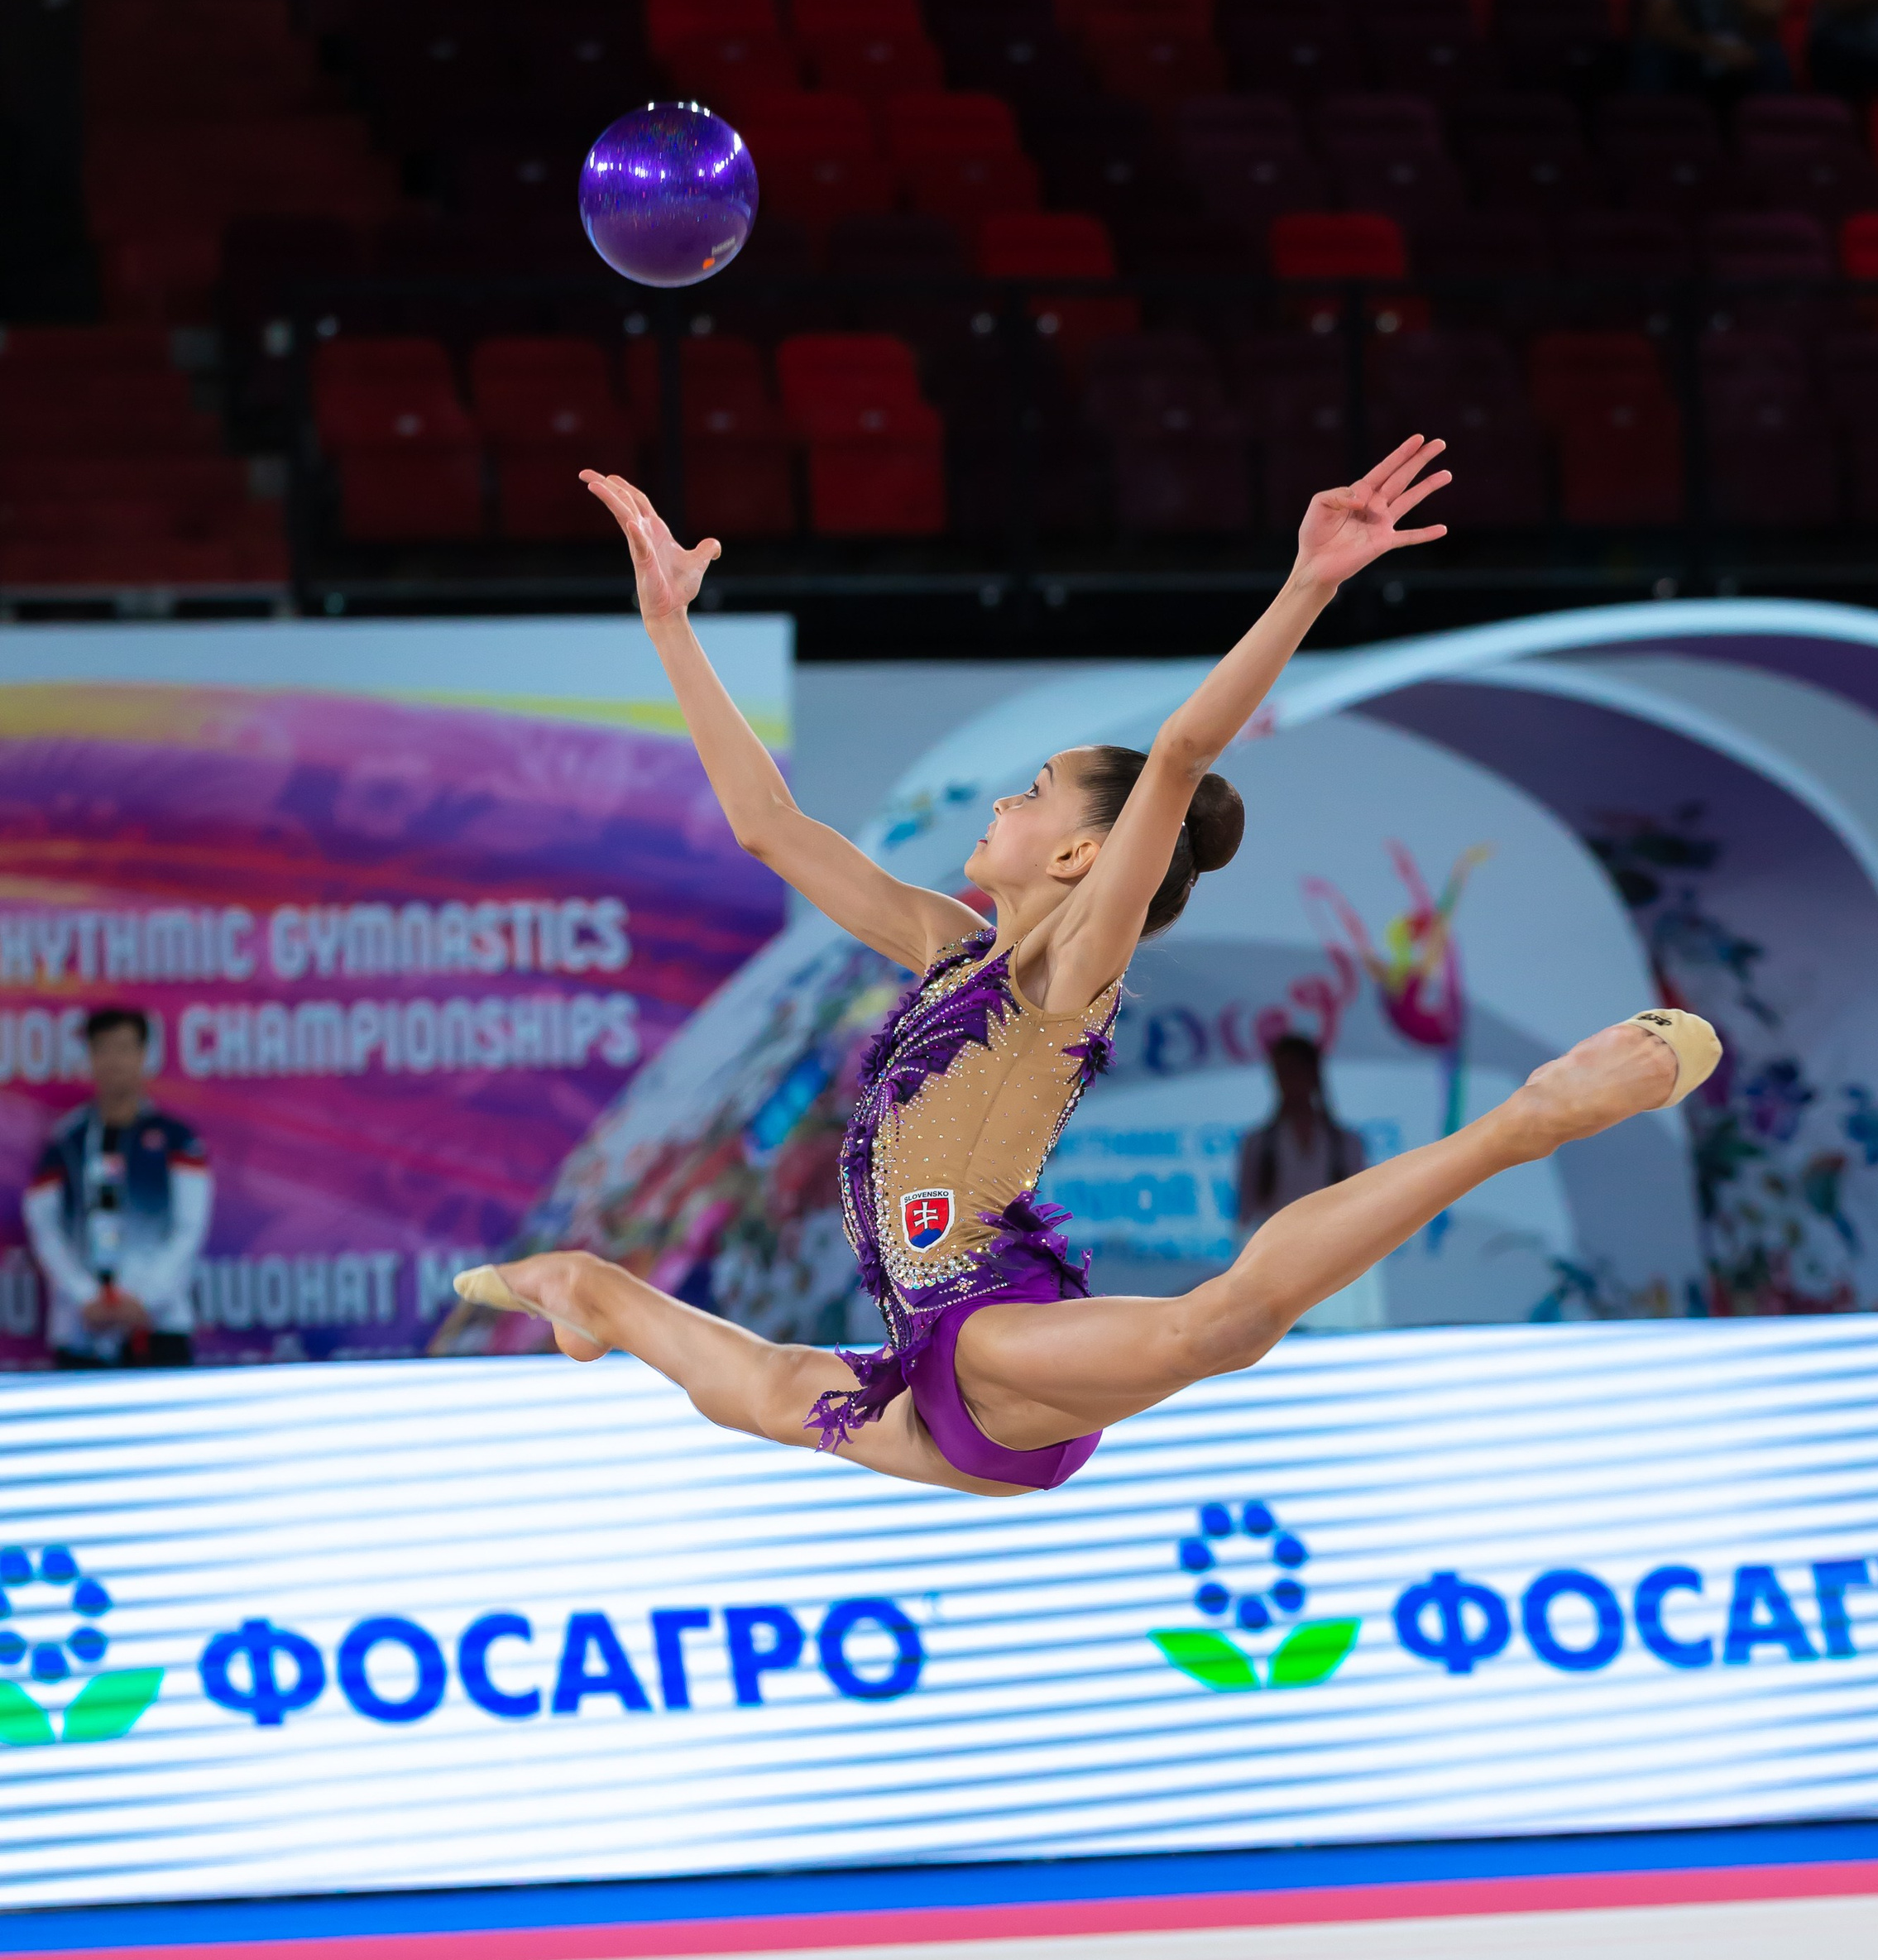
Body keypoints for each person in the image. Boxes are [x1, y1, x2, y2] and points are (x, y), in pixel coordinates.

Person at [455, 447, 1722, 1498]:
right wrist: (671, 630)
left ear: (1078, 853)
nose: (1002, 804)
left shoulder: (1068, 965)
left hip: (1005, 1345)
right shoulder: (951, 950)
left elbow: (1175, 754)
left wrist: (1305, 587)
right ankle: (589, 1293)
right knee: (760, 1385)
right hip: (937, 1387)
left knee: (1212, 1329)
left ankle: (1528, 1119)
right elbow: (770, 829)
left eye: (1030, 794)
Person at [22, 1007, 213, 1368]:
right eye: (104, 1049)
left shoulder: (177, 1140)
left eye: (125, 1049)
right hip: (83, 1329)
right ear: (90, 1058)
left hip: (158, 1326)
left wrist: (143, 1299)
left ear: (143, 1056)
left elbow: (190, 1228)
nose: (115, 1062)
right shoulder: (67, 1142)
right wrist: (85, 1297)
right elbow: (45, 1228)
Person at [1236, 1033, 1383, 1333]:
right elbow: (1245, 1223)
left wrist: (1370, 1309)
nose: (1288, 1080)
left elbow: (1365, 1225)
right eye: (1281, 1073)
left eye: (1294, 1071)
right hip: (1276, 1272)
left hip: (1337, 1269)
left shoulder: (1346, 1144)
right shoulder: (1259, 1145)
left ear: (1313, 1074)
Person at [1636, 0, 1794, 102]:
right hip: (1693, 43)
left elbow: (1773, 12)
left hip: (1747, 42)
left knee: (1774, 59)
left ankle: (1772, 126)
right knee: (1651, 54)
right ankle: (1650, 126)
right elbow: (1657, 23)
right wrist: (1716, 49)